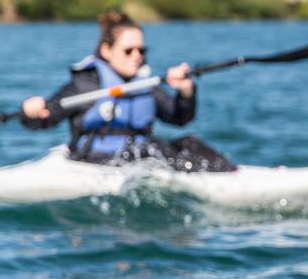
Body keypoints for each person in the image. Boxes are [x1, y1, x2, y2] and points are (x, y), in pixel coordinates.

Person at [20, 10, 235, 172]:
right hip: (97, 162)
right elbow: (45, 120)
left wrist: (186, 92)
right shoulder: (85, 85)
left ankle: (233, 176)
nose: (137, 56)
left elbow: (179, 117)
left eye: (141, 50)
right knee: (158, 151)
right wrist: (31, 113)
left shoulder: (145, 85)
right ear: (106, 50)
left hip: (141, 158)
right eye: (128, 50)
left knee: (190, 143)